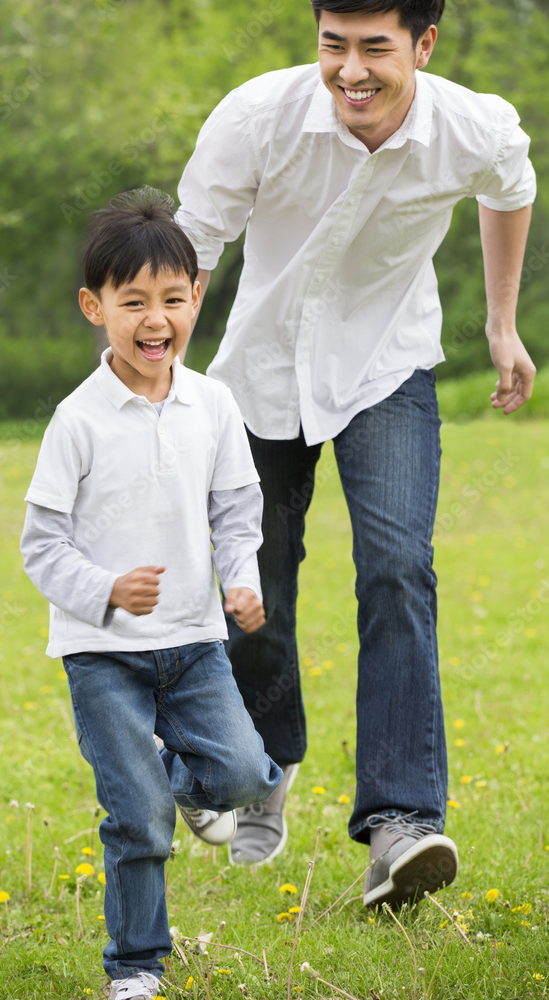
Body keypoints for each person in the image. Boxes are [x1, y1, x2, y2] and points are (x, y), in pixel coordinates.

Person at [175, 0, 536, 906]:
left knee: (398, 569)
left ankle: (401, 823)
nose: (350, 71)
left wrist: (500, 323)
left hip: (387, 366)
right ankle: (265, 760)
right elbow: (195, 246)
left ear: (423, 43)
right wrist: (159, 386)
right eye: (333, 45)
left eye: (375, 47)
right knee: (253, 584)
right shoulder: (258, 117)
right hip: (259, 373)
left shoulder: (472, 125)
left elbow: (510, 188)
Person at [20, 187, 282, 1000]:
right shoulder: (77, 420)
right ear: (94, 307)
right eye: (132, 302)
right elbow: (40, 545)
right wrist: (104, 590)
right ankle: (136, 966)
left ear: (197, 296)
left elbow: (237, 513)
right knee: (135, 819)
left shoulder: (214, 404)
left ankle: (175, 788)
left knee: (244, 776)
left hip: (196, 643)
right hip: (103, 655)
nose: (154, 318)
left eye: (171, 298)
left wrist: (240, 580)